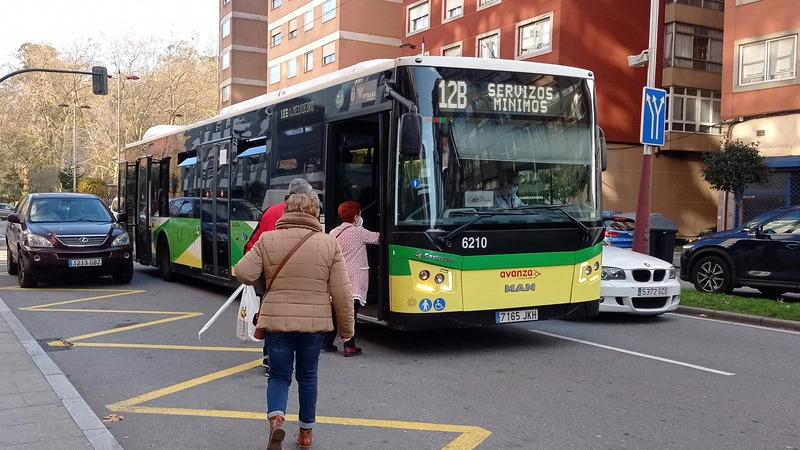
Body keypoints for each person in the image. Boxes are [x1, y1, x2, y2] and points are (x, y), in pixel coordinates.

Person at [235, 192, 354, 450]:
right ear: (315, 213)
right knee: (308, 376)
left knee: (278, 375)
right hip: (314, 324)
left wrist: (266, 276)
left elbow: (243, 272)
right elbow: (343, 292)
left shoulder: (268, 240)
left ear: (287, 211)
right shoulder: (328, 243)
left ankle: (277, 418)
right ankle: (305, 434)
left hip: (277, 322)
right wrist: (346, 330)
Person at [244, 178, 314, 372]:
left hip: (271, 275)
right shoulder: (309, 214)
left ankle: (271, 356)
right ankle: (297, 356)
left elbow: (251, 244)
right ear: (306, 196)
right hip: (301, 274)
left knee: (272, 315)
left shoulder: (271, 211)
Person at [321, 201, 380, 356]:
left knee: (335, 311)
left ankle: (326, 342)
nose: (360, 217)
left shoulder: (333, 233)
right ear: (355, 216)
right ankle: (349, 345)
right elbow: (379, 238)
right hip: (354, 279)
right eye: (359, 214)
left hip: (337, 278)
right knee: (350, 314)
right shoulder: (359, 232)